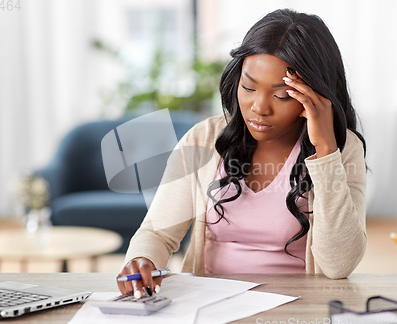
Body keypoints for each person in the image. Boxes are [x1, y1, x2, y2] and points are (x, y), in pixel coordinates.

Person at [117, 8, 367, 298]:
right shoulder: (203, 138)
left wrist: (325, 152)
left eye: (282, 95)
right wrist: (142, 261)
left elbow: (339, 265)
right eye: (248, 87)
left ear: (315, 96)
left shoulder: (342, 149)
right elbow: (158, 233)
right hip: (209, 305)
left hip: (296, 310)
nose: (259, 107)